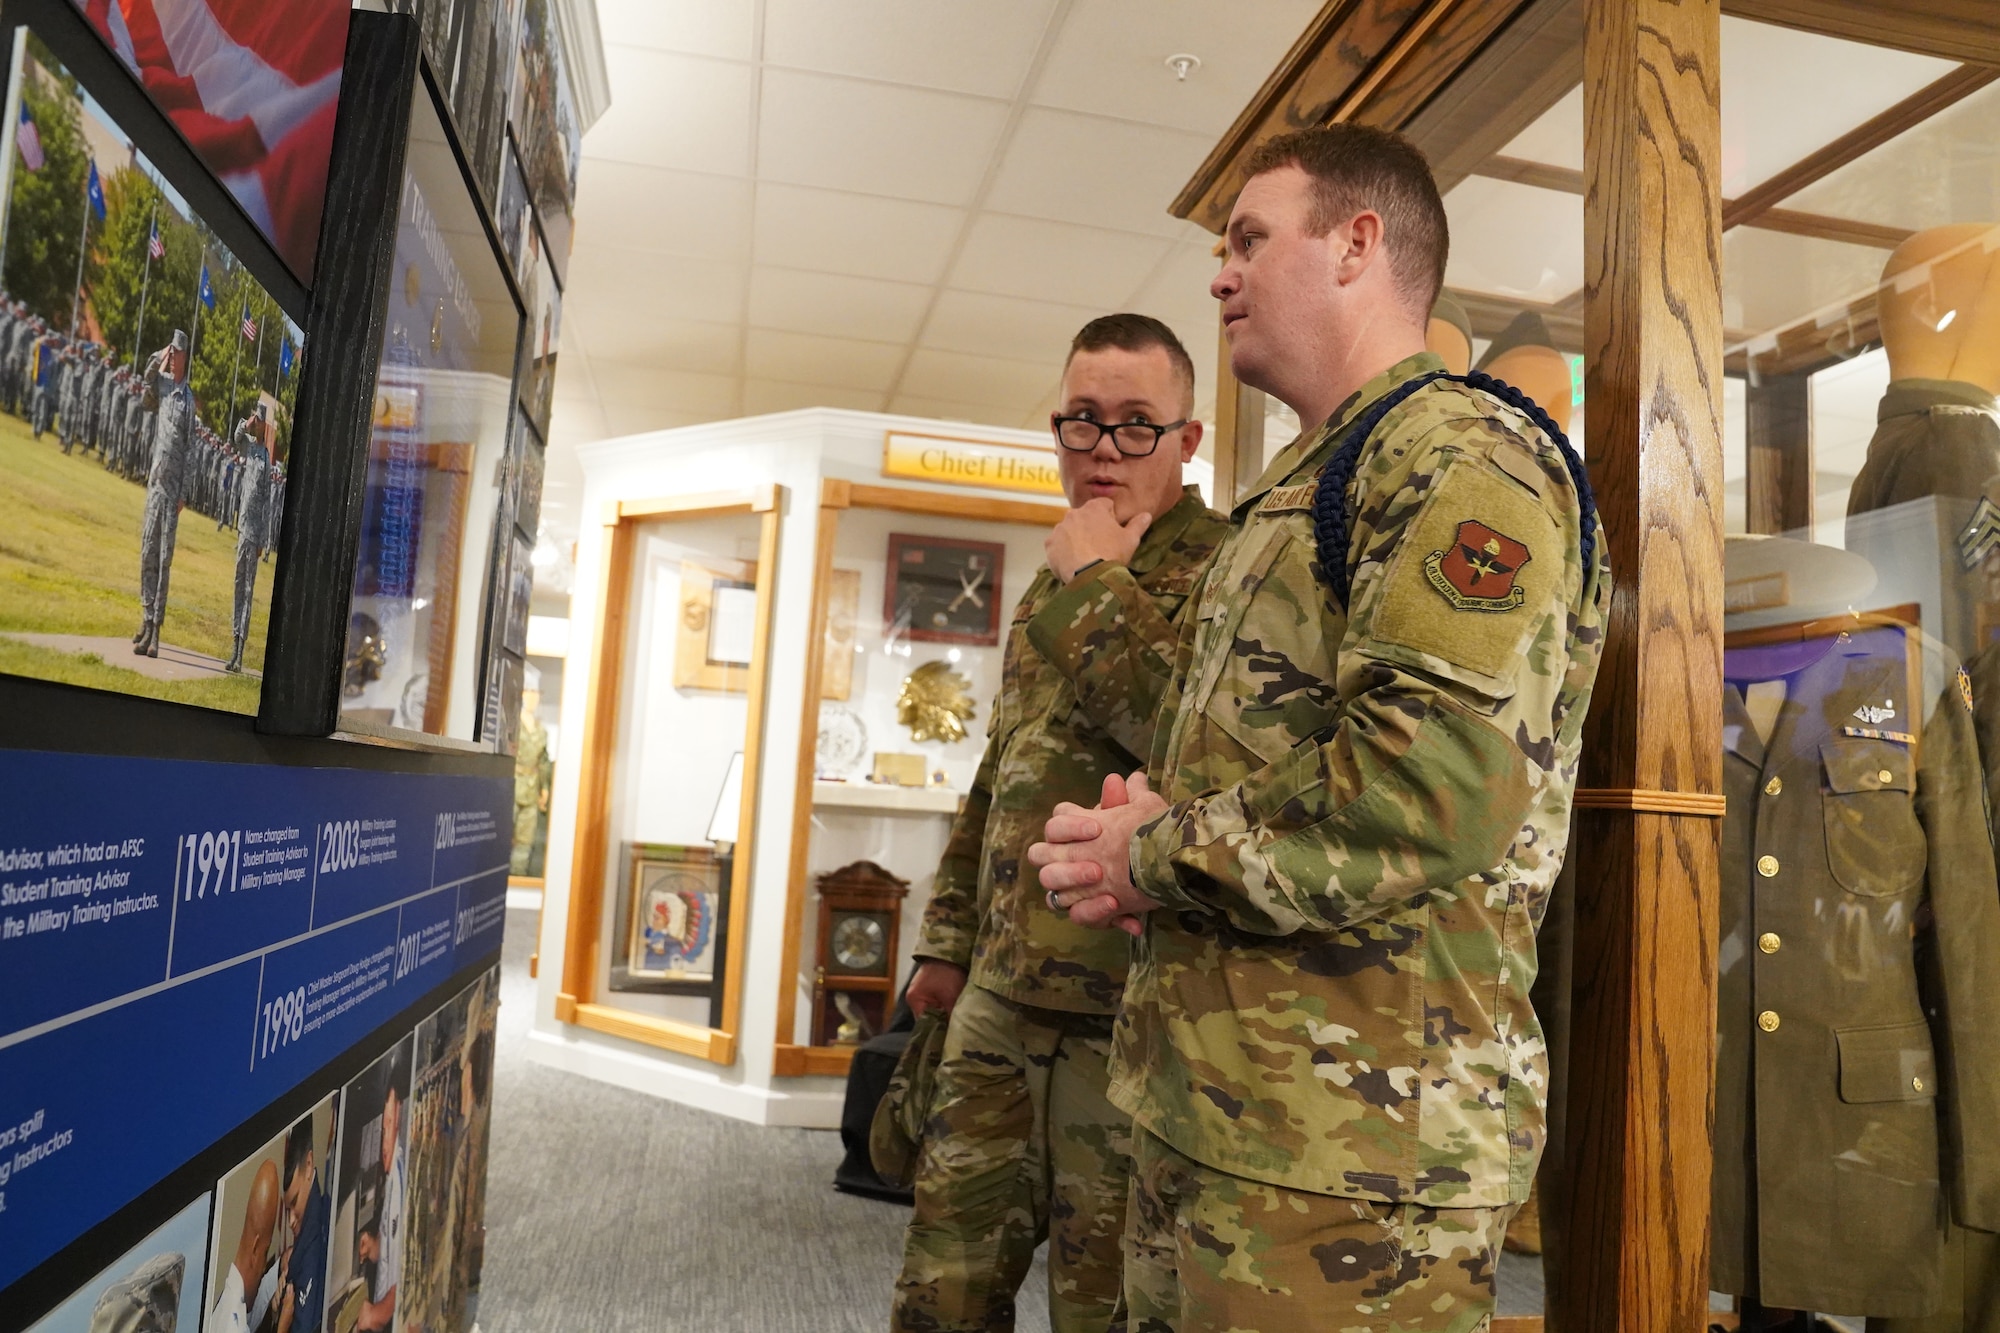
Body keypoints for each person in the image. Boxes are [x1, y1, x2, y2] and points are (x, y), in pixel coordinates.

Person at [1030, 125, 1611, 1328]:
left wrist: (1148, 851)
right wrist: (1162, 818)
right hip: (1229, 1110)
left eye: (1249, 239)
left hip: (1355, 1155)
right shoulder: (1310, 475)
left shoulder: (1459, 454)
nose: (1218, 275)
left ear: (1355, 245)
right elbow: (1254, 740)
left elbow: (1429, 784)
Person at [891, 313, 1228, 1333]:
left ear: (1187, 440)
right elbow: (1001, 775)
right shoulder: (1054, 569)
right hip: (999, 995)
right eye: (1080, 422)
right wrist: (945, 943)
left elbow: (1193, 746)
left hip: (1125, 1015)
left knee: (1105, 1303)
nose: (1101, 451)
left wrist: (1095, 581)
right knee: (943, 1284)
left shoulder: (1224, 569)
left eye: (1135, 425)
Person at [133, 331, 195, 659]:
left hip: (172, 493)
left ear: (186, 357)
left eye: (177, 353)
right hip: (155, 485)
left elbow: (190, 449)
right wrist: (156, 358)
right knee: (147, 552)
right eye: (172, 351)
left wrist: (184, 491)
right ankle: (144, 619)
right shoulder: (164, 386)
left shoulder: (187, 398)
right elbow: (145, 392)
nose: (174, 356)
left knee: (163, 559)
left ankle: (156, 629)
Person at [226, 407, 277, 673]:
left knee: (247, 590)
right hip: (242, 529)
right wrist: (245, 423)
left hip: (254, 533)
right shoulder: (249, 449)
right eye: (254, 420)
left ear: (263, 427)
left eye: (258, 421)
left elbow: (268, 504)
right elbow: (235, 438)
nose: (254, 424)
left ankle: (240, 652)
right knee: (237, 585)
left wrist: (262, 541)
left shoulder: (265, 459)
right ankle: (233, 644)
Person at [209, 1159, 280, 1333]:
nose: (264, 1266)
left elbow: (250, 1313)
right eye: (265, 1253)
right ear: (255, 1248)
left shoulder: (229, 1302)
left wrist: (283, 1264)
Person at [356, 1080, 404, 1333]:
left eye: (388, 1124)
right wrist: (375, 1247)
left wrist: (375, 1315)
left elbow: (404, 1277)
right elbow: (394, 1251)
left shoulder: (399, 1185)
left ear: (399, 1114)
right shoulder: (394, 1173)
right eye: (382, 1128)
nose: (385, 1137)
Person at [276, 1116, 330, 1333]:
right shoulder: (326, 1206)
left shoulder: (313, 1249)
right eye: (286, 1209)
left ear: (309, 1164)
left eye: (294, 1202)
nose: (290, 1221)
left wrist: (282, 1324)